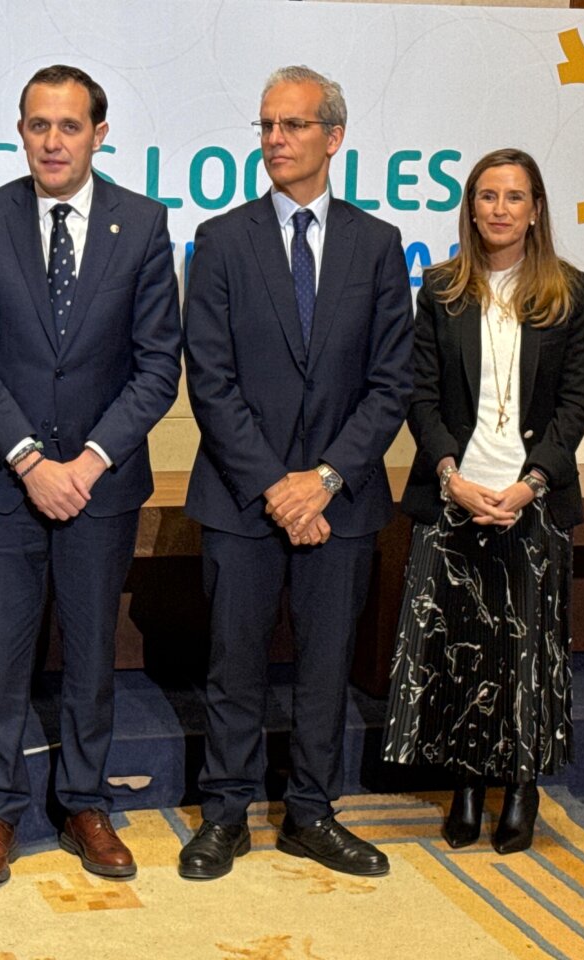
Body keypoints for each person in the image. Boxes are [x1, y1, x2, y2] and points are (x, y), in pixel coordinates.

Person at [0, 64, 181, 888]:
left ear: (99, 134)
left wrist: (85, 462)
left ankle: (84, 801)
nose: (53, 140)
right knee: (3, 659)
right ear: (22, 132)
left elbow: (158, 367)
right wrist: (29, 461)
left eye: (69, 126)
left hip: (101, 485)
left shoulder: (144, 225)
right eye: (38, 125)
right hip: (8, 484)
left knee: (89, 655)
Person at [180, 65, 414, 881]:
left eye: (293, 126)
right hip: (244, 498)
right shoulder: (221, 239)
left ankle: (313, 813)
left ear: (333, 137)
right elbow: (209, 378)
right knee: (233, 664)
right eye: (266, 126)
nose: (275, 140)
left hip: (341, 503)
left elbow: (392, 383)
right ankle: (225, 814)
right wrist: (279, 485)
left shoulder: (378, 245)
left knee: (325, 668)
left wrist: (324, 479)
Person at [382, 147, 584, 854]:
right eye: (488, 196)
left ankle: (521, 786)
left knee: (524, 654)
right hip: (456, 494)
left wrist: (531, 484)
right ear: (470, 207)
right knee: (460, 652)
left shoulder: (567, 289)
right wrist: (453, 478)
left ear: (536, 210)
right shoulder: (442, 287)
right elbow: (420, 394)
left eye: (515, 196)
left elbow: (574, 404)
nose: (501, 208)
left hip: (531, 499)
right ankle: (467, 785)